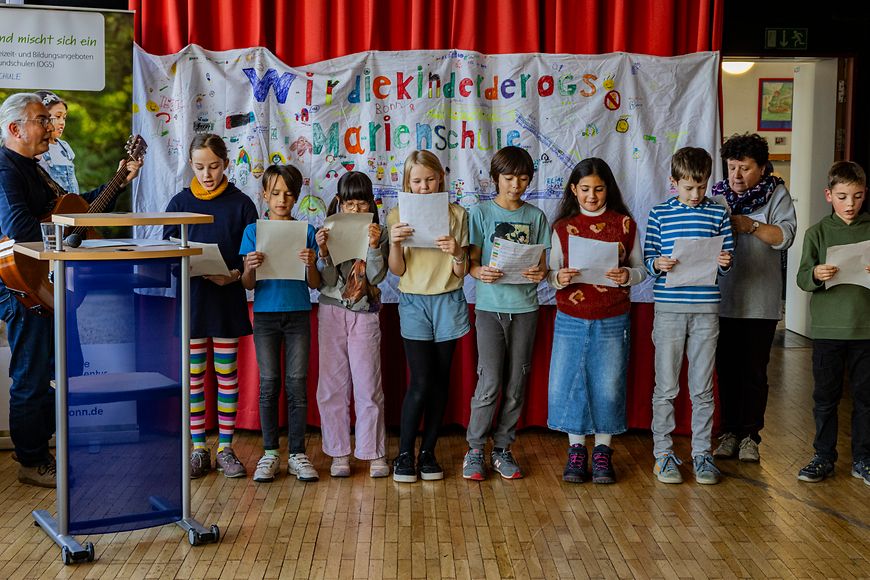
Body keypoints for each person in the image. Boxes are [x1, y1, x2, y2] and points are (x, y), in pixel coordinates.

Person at [0, 92, 141, 487]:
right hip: (20, 286)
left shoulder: (34, 167)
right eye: (41, 120)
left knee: (69, 369)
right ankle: (31, 462)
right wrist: (67, 233)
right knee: (31, 376)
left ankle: (49, 447)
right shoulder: (5, 169)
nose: (50, 127)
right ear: (15, 129)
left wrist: (117, 182)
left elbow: (74, 211)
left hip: (48, 282)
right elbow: (21, 229)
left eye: (49, 119)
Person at [546, 158, 647, 484]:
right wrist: (559, 277)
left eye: (599, 189)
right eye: (585, 189)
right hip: (571, 317)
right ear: (574, 190)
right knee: (572, 382)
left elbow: (641, 270)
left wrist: (627, 274)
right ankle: (577, 450)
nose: (592, 196)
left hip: (612, 317)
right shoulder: (562, 227)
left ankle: (603, 451)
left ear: (608, 189)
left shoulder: (625, 225)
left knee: (608, 383)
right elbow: (550, 274)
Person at [163, 133, 257, 479]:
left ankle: (226, 447)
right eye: (200, 167)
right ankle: (199, 448)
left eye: (214, 166)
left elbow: (251, 257)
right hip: (193, 299)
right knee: (193, 376)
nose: (207, 174)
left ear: (226, 164)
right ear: (190, 165)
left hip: (227, 297)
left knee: (226, 373)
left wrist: (233, 275)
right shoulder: (178, 202)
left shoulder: (242, 203)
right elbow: (167, 252)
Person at [643, 146, 734, 485]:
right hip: (669, 309)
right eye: (688, 187)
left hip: (706, 310)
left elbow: (727, 259)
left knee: (702, 388)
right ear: (674, 182)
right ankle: (663, 454)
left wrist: (724, 263)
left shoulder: (718, 213)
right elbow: (648, 256)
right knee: (666, 386)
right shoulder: (659, 214)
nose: (696, 195)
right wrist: (657, 264)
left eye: (702, 186)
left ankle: (702, 454)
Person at [462, 146, 549, 481]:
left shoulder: (536, 217)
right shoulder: (480, 213)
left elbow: (542, 265)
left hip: (525, 309)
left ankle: (502, 448)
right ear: (495, 178)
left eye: (523, 179)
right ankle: (474, 450)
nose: (516, 185)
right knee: (490, 380)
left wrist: (539, 273)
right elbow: (471, 263)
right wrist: (477, 271)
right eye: (509, 178)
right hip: (489, 309)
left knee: (517, 382)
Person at [712, 133, 797, 463]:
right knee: (726, 369)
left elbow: (784, 236)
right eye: (732, 167)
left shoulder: (776, 195)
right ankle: (729, 432)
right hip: (721, 299)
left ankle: (750, 435)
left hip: (760, 301)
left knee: (754, 372)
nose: (736, 176)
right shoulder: (716, 196)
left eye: (745, 168)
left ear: (762, 168)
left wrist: (749, 226)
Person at [387, 150, 470, 483]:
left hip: (448, 300)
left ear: (441, 179)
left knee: (439, 381)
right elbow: (398, 270)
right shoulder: (397, 215)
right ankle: (405, 453)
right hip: (413, 301)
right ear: (407, 183)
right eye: (416, 181)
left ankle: (429, 451)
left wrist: (457, 252)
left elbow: (461, 272)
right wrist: (393, 243)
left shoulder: (457, 215)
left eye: (430, 179)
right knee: (420, 381)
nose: (423, 187)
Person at [240, 164, 321, 483]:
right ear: (264, 195)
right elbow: (247, 284)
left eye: (288, 194)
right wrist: (249, 267)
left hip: (299, 312)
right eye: (275, 193)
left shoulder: (307, 232)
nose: (281, 199)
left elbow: (314, 284)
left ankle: (298, 453)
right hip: (265, 315)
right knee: (270, 382)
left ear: (297, 197)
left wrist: (312, 264)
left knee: (297, 383)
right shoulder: (253, 231)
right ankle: (270, 452)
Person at [795, 160, 870, 486]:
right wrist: (816, 273)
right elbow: (800, 277)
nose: (849, 204)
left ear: (865, 194)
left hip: (865, 329)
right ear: (829, 195)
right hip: (827, 330)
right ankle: (823, 457)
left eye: (856, 196)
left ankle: (863, 459)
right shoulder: (817, 233)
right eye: (842, 196)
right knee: (825, 398)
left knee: (866, 399)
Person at [315, 171, 389, 478]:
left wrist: (372, 246)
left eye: (361, 203)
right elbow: (327, 281)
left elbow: (377, 277)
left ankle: (373, 453)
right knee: (331, 386)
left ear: (370, 204)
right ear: (339, 203)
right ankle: (338, 452)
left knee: (368, 386)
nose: (355, 210)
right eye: (349, 204)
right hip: (331, 311)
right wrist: (323, 252)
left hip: (365, 312)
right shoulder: (328, 231)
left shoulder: (379, 232)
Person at [34, 91, 78, 194]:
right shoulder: (36, 149)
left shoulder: (65, 147)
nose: (62, 122)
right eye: (58, 117)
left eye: (64, 117)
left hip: (75, 205)